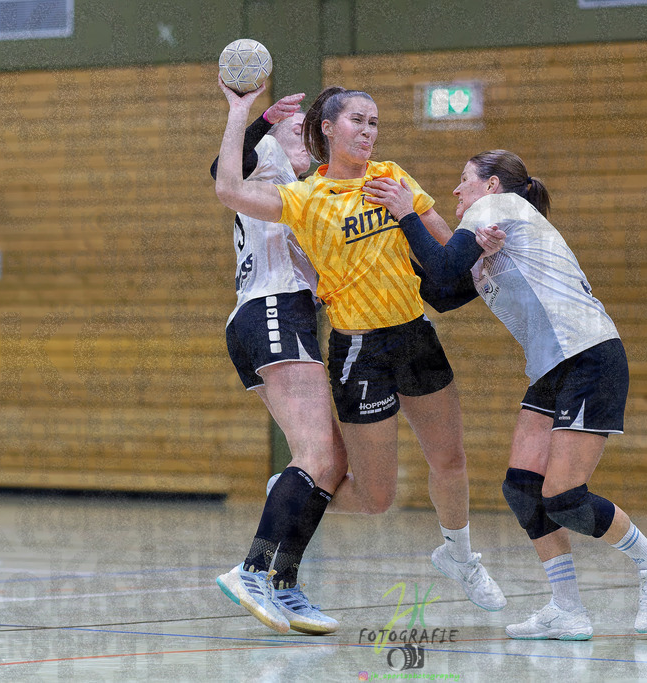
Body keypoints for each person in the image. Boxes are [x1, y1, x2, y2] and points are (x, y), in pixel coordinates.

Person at [363, 149, 647, 640]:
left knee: (565, 496)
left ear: (491, 185)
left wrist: (409, 212)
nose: (456, 190)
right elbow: (444, 292)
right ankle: (568, 609)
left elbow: (447, 268)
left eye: (464, 180)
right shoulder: (492, 231)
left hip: (588, 355)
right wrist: (391, 238)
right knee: (521, 488)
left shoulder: (496, 210)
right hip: (553, 367)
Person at [214, 79, 506, 613]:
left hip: (415, 335)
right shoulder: (305, 197)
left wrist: (482, 247)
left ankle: (461, 556)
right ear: (327, 128)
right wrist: (241, 113)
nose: (369, 132)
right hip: (358, 351)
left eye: (374, 123)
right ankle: (294, 491)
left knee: (452, 459)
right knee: (376, 499)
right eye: (357, 121)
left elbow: (447, 246)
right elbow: (229, 188)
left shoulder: (392, 177)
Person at [211, 91, 348, 636]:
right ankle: (251, 571)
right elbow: (221, 171)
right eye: (300, 133)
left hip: (277, 316)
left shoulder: (308, 190)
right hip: (271, 309)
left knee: (330, 461)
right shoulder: (266, 158)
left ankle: (285, 582)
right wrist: (249, 116)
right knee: (318, 453)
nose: (308, 143)